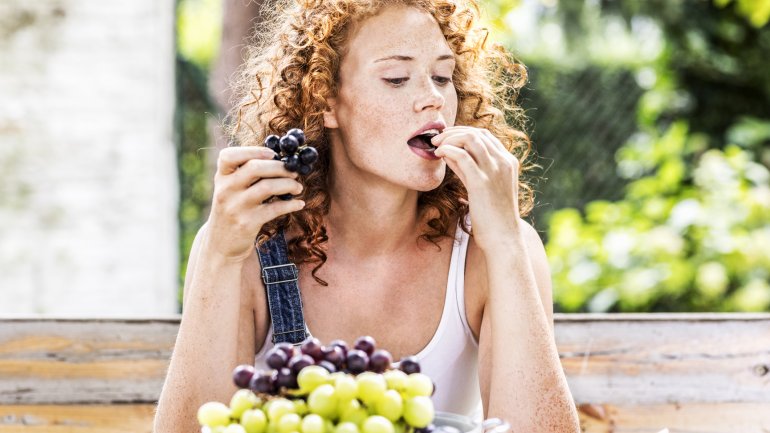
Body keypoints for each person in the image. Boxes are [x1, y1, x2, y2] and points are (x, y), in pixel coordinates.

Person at [154, 0, 581, 432]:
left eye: (442, 76)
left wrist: (507, 244)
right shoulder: (247, 245)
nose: (433, 99)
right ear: (325, 101)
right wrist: (220, 257)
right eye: (396, 78)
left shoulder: (492, 248)